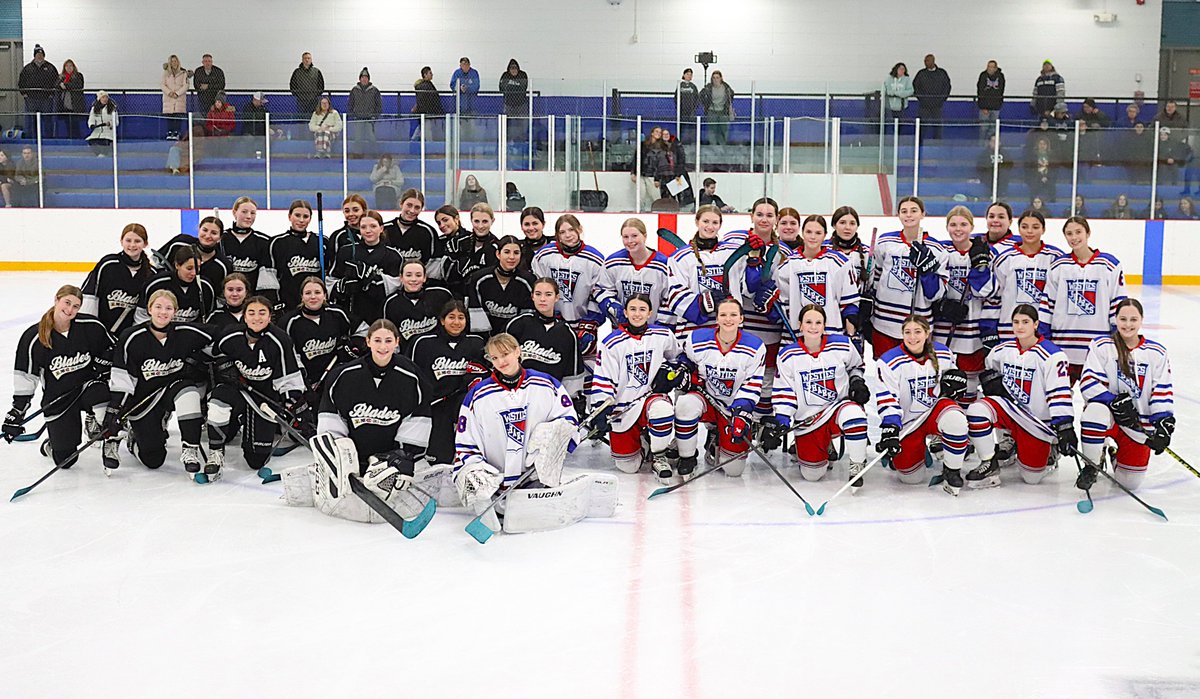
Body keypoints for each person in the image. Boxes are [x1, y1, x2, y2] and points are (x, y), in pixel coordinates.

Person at [455, 332, 611, 537]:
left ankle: (535, 489)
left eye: (505, 354)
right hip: (494, 482)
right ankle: (489, 497)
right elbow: (466, 441)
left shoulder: (546, 384)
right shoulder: (478, 394)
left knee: (550, 432)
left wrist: (554, 442)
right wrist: (478, 469)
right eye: (494, 358)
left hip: (533, 477)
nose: (501, 361)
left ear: (518, 352)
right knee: (471, 474)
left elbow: (569, 422)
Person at [5, 285, 117, 470]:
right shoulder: (34, 337)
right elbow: (26, 376)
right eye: (67, 303)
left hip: (88, 388)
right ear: (56, 300)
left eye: (76, 306)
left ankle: (104, 430)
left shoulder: (91, 326)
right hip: (59, 397)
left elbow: (114, 348)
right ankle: (53, 445)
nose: (70, 309)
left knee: (101, 395)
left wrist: (105, 360)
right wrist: (17, 412)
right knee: (66, 460)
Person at [965, 304, 1074, 488]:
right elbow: (989, 366)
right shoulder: (1002, 350)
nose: (1020, 327)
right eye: (1016, 322)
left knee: (1032, 478)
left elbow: (1059, 393)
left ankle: (1050, 448)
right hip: (1011, 412)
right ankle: (989, 462)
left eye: (1025, 322)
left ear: (1036, 324)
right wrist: (992, 382)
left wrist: (1064, 426)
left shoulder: (1053, 356)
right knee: (977, 409)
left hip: (1036, 422)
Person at [108, 289, 215, 474]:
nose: (163, 312)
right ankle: (135, 439)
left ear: (175, 311)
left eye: (168, 308)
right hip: (144, 399)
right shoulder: (132, 337)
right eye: (158, 307)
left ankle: (190, 449)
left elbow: (222, 337)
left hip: (170, 389)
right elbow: (122, 378)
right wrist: (116, 409)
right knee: (153, 460)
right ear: (149, 309)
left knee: (189, 391)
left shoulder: (185, 332)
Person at [764, 304, 869, 487]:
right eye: (809, 322)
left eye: (818, 322)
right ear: (801, 325)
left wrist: (857, 382)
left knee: (855, 415)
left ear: (824, 325)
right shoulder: (788, 355)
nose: (813, 327)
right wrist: (781, 420)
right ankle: (818, 446)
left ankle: (857, 465)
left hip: (837, 409)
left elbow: (856, 367)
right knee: (812, 475)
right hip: (808, 420)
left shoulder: (842, 345)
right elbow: (785, 391)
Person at [205, 295, 308, 479]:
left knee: (256, 460)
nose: (256, 317)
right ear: (244, 316)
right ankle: (216, 453)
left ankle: (247, 421)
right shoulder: (231, 334)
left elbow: (289, 377)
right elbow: (211, 352)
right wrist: (223, 365)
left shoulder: (280, 340)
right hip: (237, 390)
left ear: (270, 316)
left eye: (262, 313)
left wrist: (292, 402)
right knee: (218, 402)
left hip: (263, 398)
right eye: (251, 313)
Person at [1078, 298, 1173, 492]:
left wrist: (1162, 423)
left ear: (1141, 320)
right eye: (1123, 319)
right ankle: (1092, 464)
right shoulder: (1101, 346)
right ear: (1115, 319)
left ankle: (1113, 454)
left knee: (1129, 484)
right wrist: (1113, 402)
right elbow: (1089, 382)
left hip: (1137, 426)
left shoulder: (1156, 352)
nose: (1127, 324)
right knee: (1094, 413)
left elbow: (1161, 389)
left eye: (1133, 319)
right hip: (1110, 417)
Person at [586, 295, 683, 482]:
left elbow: (677, 358)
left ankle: (659, 455)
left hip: (650, 399)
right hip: (623, 409)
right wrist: (601, 410)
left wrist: (669, 372)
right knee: (628, 467)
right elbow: (604, 378)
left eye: (641, 309)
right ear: (625, 312)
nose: (637, 314)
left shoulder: (662, 335)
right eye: (632, 309)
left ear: (649, 313)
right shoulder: (611, 342)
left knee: (662, 410)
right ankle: (645, 442)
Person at [873, 314, 972, 494]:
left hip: (934, 413)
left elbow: (953, 380)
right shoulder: (888, 362)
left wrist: (957, 384)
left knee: (956, 419)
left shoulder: (943, 354)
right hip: (909, 423)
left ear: (927, 333)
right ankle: (916, 450)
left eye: (917, 332)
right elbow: (887, 398)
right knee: (910, 479)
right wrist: (891, 430)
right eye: (908, 332)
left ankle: (952, 471)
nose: (912, 337)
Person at [675, 298, 766, 478]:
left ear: (741, 318)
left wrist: (742, 413)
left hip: (733, 407)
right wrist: (685, 373)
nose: (728, 319)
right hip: (706, 400)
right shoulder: (697, 339)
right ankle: (687, 457)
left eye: (733, 315)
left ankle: (716, 437)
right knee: (685, 404)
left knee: (734, 470)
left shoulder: (755, 347)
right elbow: (685, 360)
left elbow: (752, 383)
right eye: (723, 314)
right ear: (716, 318)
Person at [1041, 216, 1125, 385]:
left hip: (1096, 347)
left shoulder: (1109, 264)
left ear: (1088, 233)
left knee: (1096, 404)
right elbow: (1047, 304)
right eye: (1069, 233)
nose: (1074, 237)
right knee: (1059, 398)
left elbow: (1118, 302)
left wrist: (1116, 338)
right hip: (1063, 345)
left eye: (1078, 232)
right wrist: (1045, 337)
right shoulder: (1059, 266)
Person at [862, 196, 946, 358]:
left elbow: (936, 294)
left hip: (919, 326)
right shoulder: (886, 241)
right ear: (898, 215)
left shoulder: (936, 249)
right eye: (904, 211)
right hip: (884, 321)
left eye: (914, 211)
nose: (909, 215)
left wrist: (928, 272)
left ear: (923, 214)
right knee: (885, 372)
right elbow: (876, 279)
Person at [408, 301, 487, 466]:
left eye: (461, 317)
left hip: (462, 403)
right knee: (438, 456)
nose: (456, 322)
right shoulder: (423, 343)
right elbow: (411, 375)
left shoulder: (477, 343)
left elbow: (484, 374)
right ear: (442, 320)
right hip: (434, 404)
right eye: (451, 317)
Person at [932, 206, 995, 403]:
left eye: (963, 224)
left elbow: (985, 291)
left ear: (972, 226)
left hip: (972, 332)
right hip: (944, 330)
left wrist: (979, 266)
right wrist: (942, 307)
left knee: (969, 386)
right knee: (942, 382)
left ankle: (969, 427)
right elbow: (931, 289)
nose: (958, 229)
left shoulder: (985, 251)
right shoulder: (940, 251)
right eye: (953, 224)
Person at [530, 214, 606, 378]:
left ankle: (584, 402)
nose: (568, 235)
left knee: (586, 369)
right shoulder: (544, 256)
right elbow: (539, 286)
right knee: (552, 363)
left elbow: (599, 292)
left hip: (583, 324)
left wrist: (591, 322)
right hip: (553, 322)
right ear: (557, 235)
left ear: (579, 230)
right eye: (563, 232)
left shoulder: (595, 259)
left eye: (571, 230)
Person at [980, 209, 1061, 350]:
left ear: (1043, 229)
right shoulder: (1005, 259)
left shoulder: (1055, 258)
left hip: (1043, 331)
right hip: (1009, 331)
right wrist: (989, 330)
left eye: (1035, 227)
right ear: (1018, 229)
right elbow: (994, 298)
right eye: (1024, 227)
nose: (1029, 231)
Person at [768, 214, 860, 337]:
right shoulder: (787, 265)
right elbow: (782, 307)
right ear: (802, 233)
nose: (812, 237)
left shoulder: (839, 262)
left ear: (825, 235)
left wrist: (851, 335)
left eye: (818, 233)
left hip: (831, 335)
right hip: (796, 337)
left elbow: (848, 304)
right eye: (809, 232)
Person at [666, 205, 743, 335]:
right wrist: (706, 301)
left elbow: (747, 287)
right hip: (692, 333)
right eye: (705, 221)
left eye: (715, 222)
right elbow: (675, 297)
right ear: (697, 222)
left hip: (730, 332)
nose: (710, 227)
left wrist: (754, 258)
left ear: (720, 225)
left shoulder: (733, 252)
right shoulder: (680, 257)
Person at [281, 277, 354, 406]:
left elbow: (363, 331)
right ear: (302, 297)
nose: (313, 297)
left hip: (335, 379)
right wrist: (303, 382)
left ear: (325, 295)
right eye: (308, 293)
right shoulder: (290, 322)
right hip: (307, 383)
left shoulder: (337, 314)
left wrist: (350, 346)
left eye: (317, 292)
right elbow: (288, 355)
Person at [328, 209, 401, 327]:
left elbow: (397, 286)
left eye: (373, 226)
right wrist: (341, 286)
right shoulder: (346, 252)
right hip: (352, 313)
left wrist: (373, 277)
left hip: (380, 314)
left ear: (381, 228)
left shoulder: (393, 256)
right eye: (363, 227)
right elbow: (331, 280)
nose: (368, 231)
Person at [81, 223, 155, 336]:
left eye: (137, 241)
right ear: (121, 241)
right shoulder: (108, 265)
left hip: (129, 337)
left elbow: (145, 313)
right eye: (128, 240)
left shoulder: (151, 274)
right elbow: (90, 297)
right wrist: (90, 328)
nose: (132, 245)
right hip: (102, 334)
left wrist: (137, 336)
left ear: (145, 244)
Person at [595, 218, 672, 325]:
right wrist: (611, 305)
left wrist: (659, 327)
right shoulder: (613, 263)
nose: (630, 241)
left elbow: (669, 299)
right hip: (622, 331)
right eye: (625, 237)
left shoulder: (663, 265)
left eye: (634, 236)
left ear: (645, 236)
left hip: (654, 332)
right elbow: (602, 289)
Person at [506, 278, 584, 382]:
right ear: (532, 296)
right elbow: (501, 361)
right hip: (517, 393)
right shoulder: (517, 324)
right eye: (538, 294)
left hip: (551, 394)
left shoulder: (567, 333)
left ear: (557, 297)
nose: (542, 299)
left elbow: (572, 376)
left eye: (548, 294)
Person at [466, 235, 534, 335]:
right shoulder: (479, 279)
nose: (511, 257)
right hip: (486, 338)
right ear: (498, 254)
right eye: (506, 252)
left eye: (516, 253)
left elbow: (526, 319)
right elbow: (476, 316)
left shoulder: (528, 281)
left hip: (514, 339)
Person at [383, 260, 456, 350]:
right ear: (401, 278)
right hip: (408, 357)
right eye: (408, 275)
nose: (413, 279)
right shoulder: (391, 303)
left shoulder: (441, 295)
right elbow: (388, 336)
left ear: (425, 277)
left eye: (418, 275)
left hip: (440, 354)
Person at [265, 200, 323, 309]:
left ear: (310, 218)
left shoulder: (321, 241)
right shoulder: (277, 242)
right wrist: (275, 302)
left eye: (305, 216)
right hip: (288, 304)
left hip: (315, 303)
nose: (301, 220)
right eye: (297, 215)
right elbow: (269, 277)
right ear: (289, 216)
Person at [138, 245, 216, 325]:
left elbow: (209, 317)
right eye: (189, 268)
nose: (194, 273)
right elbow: (141, 316)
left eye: (198, 268)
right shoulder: (157, 283)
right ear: (177, 265)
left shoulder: (205, 286)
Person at [158, 215, 229, 292]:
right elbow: (156, 262)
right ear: (199, 229)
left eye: (214, 233)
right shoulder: (179, 243)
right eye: (205, 230)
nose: (208, 236)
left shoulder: (223, 266)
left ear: (220, 238)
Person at [220, 197, 275, 296]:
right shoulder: (221, 239)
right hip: (227, 300)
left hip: (253, 301)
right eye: (244, 212)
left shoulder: (264, 241)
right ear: (234, 212)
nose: (249, 216)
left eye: (253, 213)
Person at [383, 188, 438, 267]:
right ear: (401, 204)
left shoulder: (427, 231)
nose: (412, 210)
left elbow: (432, 262)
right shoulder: (385, 229)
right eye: (409, 205)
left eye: (417, 207)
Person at [453, 203, 501, 284]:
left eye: (485, 221)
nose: (480, 226)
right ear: (471, 220)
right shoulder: (459, 243)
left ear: (492, 221)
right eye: (476, 221)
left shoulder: (497, 246)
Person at [18, 45, 57, 137]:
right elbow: (21, 82)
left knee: (47, 122)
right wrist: (24, 94)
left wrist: (51, 94)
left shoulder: (51, 68)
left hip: (46, 100)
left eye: (41, 54)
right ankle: (31, 142)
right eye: (37, 54)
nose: (39, 56)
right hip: (31, 100)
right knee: (31, 122)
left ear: (44, 55)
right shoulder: (27, 68)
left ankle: (48, 141)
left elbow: (56, 82)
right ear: (34, 56)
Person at [325, 194, 367, 271]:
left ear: (364, 211)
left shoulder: (371, 234)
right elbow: (331, 264)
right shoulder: (338, 236)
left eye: (355, 210)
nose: (351, 214)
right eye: (347, 211)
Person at [912, 54, 951, 137]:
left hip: (937, 105)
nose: (926, 63)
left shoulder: (942, 73)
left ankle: (937, 144)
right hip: (924, 105)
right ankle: (920, 143)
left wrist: (942, 99)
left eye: (927, 61)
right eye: (925, 61)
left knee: (937, 126)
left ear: (933, 61)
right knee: (922, 126)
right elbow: (915, 86)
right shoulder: (921, 73)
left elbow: (947, 86)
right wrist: (921, 99)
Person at [630, 126, 666, 208]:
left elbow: (661, 164)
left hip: (653, 176)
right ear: (652, 133)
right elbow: (636, 159)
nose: (658, 134)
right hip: (641, 174)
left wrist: (658, 178)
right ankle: (640, 212)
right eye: (656, 131)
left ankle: (658, 211)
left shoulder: (662, 147)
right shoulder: (642, 145)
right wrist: (633, 173)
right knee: (640, 197)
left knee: (656, 197)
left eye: (660, 132)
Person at [347, 67, 381, 146]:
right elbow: (350, 104)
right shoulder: (354, 90)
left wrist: (375, 116)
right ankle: (357, 155)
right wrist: (352, 115)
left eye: (366, 77)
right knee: (357, 139)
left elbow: (378, 104)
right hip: (358, 118)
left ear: (368, 79)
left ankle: (373, 154)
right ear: (360, 79)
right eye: (362, 77)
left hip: (370, 118)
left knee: (371, 138)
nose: (364, 79)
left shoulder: (374, 90)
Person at [699, 71, 735, 146]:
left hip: (723, 111)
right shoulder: (708, 87)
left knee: (723, 130)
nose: (716, 79)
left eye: (717, 77)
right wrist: (706, 104)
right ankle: (713, 146)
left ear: (721, 78)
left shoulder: (726, 87)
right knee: (712, 131)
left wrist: (727, 106)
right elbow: (701, 95)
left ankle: (722, 146)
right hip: (712, 111)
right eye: (714, 78)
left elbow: (731, 96)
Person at [55, 58, 85, 140]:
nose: (69, 68)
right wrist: (62, 85)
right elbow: (56, 85)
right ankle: (70, 140)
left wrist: (66, 86)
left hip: (75, 105)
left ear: (74, 67)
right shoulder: (61, 77)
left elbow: (78, 85)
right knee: (67, 124)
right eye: (66, 66)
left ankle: (77, 140)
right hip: (64, 105)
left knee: (75, 124)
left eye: (70, 66)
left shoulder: (79, 76)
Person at [411, 66, 443, 139]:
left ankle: (413, 141)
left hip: (423, 111)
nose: (432, 74)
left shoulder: (423, 86)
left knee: (421, 128)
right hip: (427, 112)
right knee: (427, 129)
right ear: (425, 75)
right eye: (430, 73)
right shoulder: (427, 86)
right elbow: (431, 99)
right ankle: (429, 145)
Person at [290, 52, 325, 119]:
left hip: (313, 100)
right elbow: (292, 85)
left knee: (314, 119)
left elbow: (321, 85)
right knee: (301, 119)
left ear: (311, 60)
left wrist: (316, 94)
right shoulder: (297, 72)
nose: (307, 60)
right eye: (305, 58)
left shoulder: (316, 71)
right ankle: (302, 130)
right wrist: (297, 94)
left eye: (308, 58)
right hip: (301, 100)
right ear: (302, 60)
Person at [161, 55, 187, 141]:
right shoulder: (166, 73)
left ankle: (177, 132)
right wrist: (169, 92)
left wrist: (177, 93)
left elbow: (186, 85)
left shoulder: (183, 73)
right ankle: (170, 132)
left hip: (179, 99)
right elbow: (162, 85)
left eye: (175, 61)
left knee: (178, 116)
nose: (174, 63)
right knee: (170, 117)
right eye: (172, 61)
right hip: (169, 99)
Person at [975, 60, 1005, 134]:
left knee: (993, 129)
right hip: (984, 108)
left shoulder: (1000, 76)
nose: (990, 68)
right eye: (988, 66)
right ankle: (982, 145)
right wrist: (983, 106)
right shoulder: (983, 76)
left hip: (996, 107)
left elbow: (1001, 91)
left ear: (995, 68)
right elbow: (980, 91)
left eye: (992, 67)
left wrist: (999, 105)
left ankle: (992, 144)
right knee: (983, 128)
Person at [86, 90, 119, 158]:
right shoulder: (94, 109)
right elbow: (91, 119)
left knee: (105, 142)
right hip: (97, 131)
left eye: (106, 97)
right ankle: (99, 155)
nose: (105, 99)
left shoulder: (112, 108)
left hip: (108, 132)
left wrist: (109, 123)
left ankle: (104, 155)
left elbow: (116, 122)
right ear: (99, 99)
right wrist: (92, 125)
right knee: (91, 141)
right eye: (103, 97)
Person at [1025, 137, 1056, 202]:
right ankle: (1033, 202)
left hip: (1048, 177)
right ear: (1038, 145)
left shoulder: (1052, 155)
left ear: (1047, 146)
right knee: (1034, 184)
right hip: (1036, 177)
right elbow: (1030, 169)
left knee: (1052, 186)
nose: (1042, 146)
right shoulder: (1032, 155)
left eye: (1044, 144)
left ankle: (1052, 202)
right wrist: (1040, 177)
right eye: (1041, 144)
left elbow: (1054, 169)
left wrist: (1046, 177)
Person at [516, 207, 546, 273]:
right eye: (527, 224)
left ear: (543, 224)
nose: (531, 228)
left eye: (535, 223)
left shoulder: (554, 246)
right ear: (521, 227)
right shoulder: (517, 248)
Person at [677, 68, 699, 141]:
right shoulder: (680, 85)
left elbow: (697, 99)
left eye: (691, 75)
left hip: (691, 112)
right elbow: (676, 98)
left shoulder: (693, 86)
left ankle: (692, 142)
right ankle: (680, 141)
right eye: (687, 74)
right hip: (682, 112)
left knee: (692, 128)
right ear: (684, 75)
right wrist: (679, 108)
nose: (689, 76)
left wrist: (694, 109)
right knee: (681, 127)